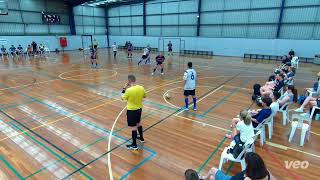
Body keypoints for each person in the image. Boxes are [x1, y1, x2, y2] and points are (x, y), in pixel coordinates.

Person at [199, 152, 273, 180]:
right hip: (232, 178)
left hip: (229, 179)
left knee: (213, 169)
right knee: (212, 178)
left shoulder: (248, 178)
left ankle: (202, 178)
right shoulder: (267, 172)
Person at [122, 75, 146, 150]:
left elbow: (122, 98)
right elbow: (145, 96)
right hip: (139, 109)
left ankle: (134, 145)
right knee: (138, 123)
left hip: (131, 110)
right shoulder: (141, 88)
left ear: (129, 81)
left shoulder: (128, 90)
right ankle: (141, 138)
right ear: (135, 80)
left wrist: (124, 88)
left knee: (133, 127)